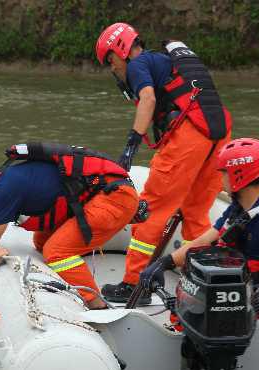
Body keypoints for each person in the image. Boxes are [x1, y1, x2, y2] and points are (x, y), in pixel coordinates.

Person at [94, 22, 234, 303]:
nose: (113, 68)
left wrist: (132, 144)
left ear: (121, 50)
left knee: (149, 209)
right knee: (195, 213)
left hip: (190, 136)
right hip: (219, 134)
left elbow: (147, 97)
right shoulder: (164, 61)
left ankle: (135, 284)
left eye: (111, 60)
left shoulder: (137, 65)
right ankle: (208, 278)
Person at [0, 143, 139, 310]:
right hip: (99, 196)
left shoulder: (4, 192)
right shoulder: (0, 184)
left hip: (114, 198)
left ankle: (97, 305)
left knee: (56, 251)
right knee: (41, 242)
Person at [138, 138, 259, 316]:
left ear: (239, 175)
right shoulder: (238, 208)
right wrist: (163, 263)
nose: (221, 178)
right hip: (237, 292)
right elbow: (207, 239)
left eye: (224, 173)